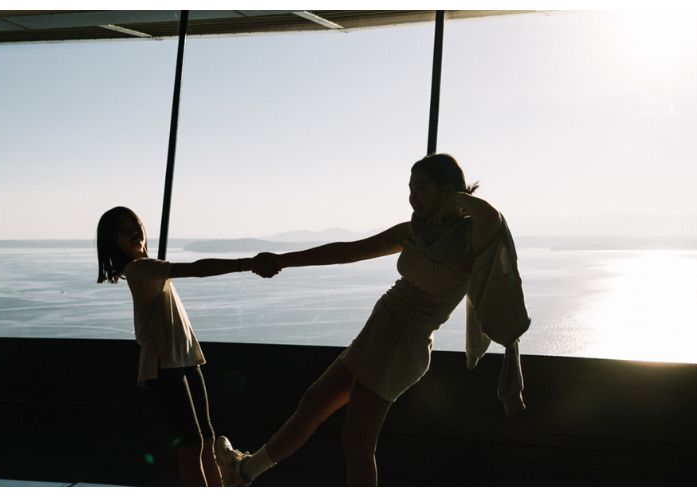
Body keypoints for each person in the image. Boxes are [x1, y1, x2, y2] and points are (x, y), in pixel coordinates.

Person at [215, 153, 530, 486]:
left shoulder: (471, 237)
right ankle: (245, 471)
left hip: (401, 344)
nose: (412, 197)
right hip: (381, 332)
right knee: (315, 401)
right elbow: (345, 251)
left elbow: (493, 216)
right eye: (409, 188)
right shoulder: (414, 231)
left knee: (357, 443)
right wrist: (283, 260)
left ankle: (246, 471)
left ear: (448, 190)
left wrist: (459, 198)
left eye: (420, 188)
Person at [96, 206, 276, 486]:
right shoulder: (140, 269)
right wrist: (246, 263)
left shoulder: (150, 268)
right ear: (113, 242)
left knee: (205, 439)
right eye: (123, 229)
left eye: (135, 223)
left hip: (183, 359)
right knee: (191, 444)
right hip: (163, 365)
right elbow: (198, 269)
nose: (133, 229)